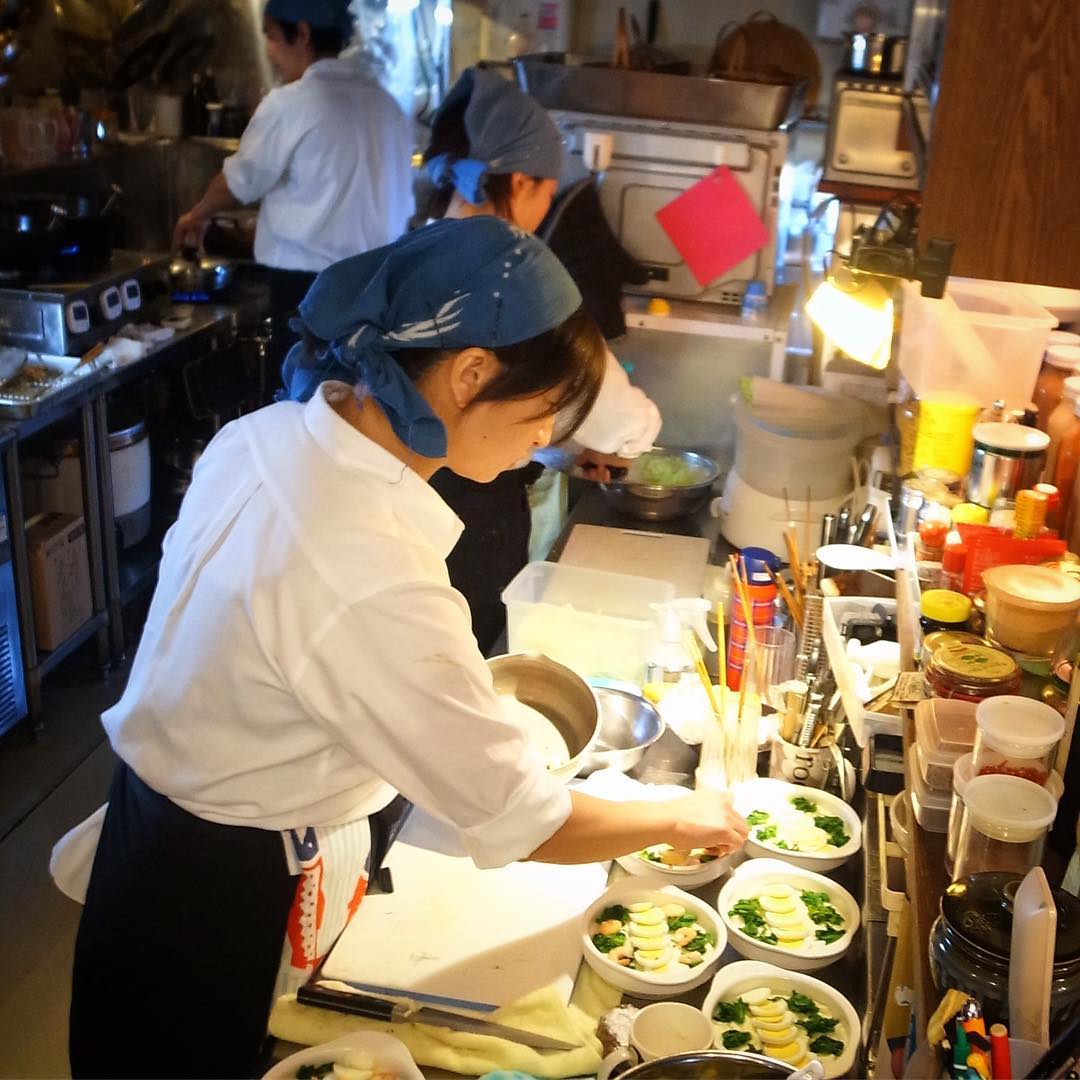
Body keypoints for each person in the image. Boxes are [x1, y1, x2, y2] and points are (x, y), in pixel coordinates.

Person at [65, 218, 747, 1079]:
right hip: (212, 896)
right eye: (541, 414)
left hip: (152, 834)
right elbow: (526, 820)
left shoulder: (269, 435)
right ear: (469, 375)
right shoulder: (366, 563)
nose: (543, 440)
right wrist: (682, 816)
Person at [422, 68, 662, 652]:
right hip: (473, 526)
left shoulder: (410, 250)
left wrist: (549, 446)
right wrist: (611, 444)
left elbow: (469, 403)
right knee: (467, 667)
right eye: (548, 192)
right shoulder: (523, 277)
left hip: (395, 521)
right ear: (521, 181)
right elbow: (615, 420)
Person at [173, 0, 414, 376]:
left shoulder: (291, 104)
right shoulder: (387, 106)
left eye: (270, 36)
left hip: (310, 293)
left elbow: (240, 181)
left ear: (302, 34)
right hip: (380, 289)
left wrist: (197, 213)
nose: (268, 51)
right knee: (364, 403)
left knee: (303, 411)